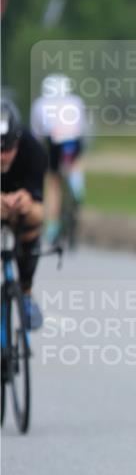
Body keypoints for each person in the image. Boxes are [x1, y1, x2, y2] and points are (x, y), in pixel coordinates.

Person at [0, 97, 47, 328]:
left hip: (19, 212)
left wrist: (25, 200)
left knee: (35, 216)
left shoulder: (33, 150)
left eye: (7, 149)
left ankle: (26, 291)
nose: (2, 156)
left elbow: (37, 200)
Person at [30, 73, 87, 243]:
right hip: (73, 141)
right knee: (76, 164)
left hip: (54, 142)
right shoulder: (76, 102)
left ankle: (53, 224)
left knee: (53, 181)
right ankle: (77, 184)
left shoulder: (40, 104)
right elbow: (82, 127)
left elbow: (36, 134)